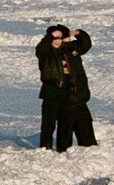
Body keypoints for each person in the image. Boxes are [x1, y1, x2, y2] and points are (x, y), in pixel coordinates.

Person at [35, 24, 97, 152]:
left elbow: (86, 44)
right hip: (51, 92)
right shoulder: (46, 53)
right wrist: (50, 36)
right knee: (48, 123)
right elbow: (41, 48)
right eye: (55, 38)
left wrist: (77, 32)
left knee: (66, 123)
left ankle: (64, 148)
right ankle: (45, 148)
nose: (58, 41)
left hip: (67, 93)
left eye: (61, 38)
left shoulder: (69, 50)